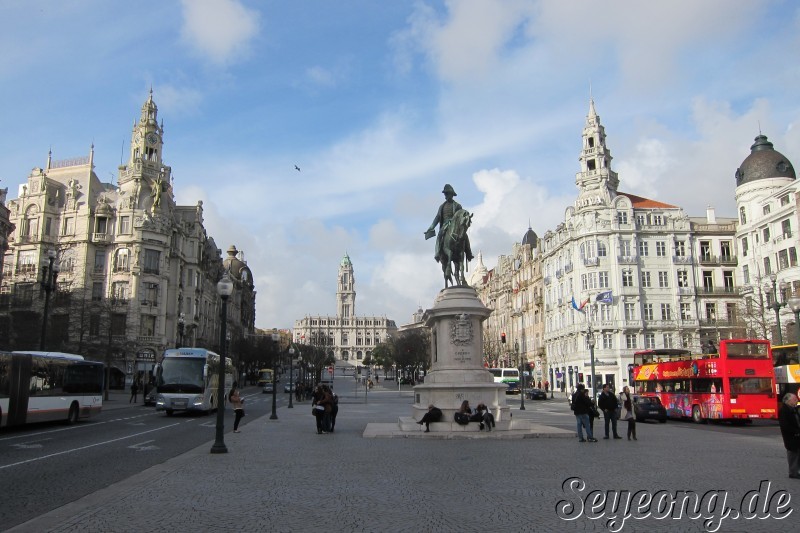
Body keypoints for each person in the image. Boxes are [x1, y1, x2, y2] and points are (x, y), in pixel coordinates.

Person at [424, 184, 474, 264]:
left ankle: (469, 253)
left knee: (465, 236)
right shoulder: (442, 206)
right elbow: (437, 217)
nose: (446, 195)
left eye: (447, 194)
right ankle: (437, 252)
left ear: (451, 194)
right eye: (445, 194)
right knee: (440, 235)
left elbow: (462, 215)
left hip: (455, 226)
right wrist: (431, 227)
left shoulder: (457, 206)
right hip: (445, 225)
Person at [778, 392, 800, 479]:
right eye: (794, 399)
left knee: (797, 454)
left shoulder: (793, 409)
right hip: (791, 436)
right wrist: (796, 431)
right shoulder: (784, 410)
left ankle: (796, 471)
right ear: (788, 400)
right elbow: (785, 425)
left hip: (796, 435)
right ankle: (793, 472)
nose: (796, 400)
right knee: (793, 454)